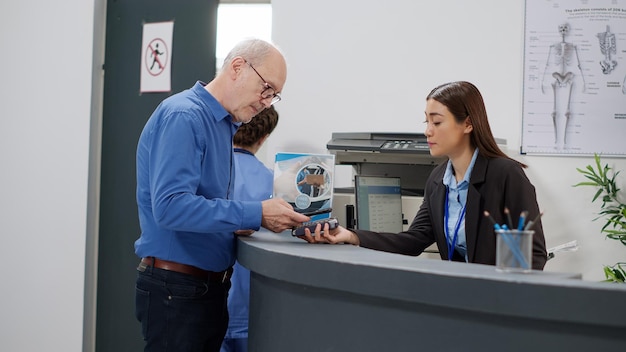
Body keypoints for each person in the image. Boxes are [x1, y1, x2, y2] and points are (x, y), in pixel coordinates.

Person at [134, 38, 310, 352]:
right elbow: (171, 207)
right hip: (178, 291)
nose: (267, 102)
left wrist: (235, 223)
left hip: (203, 290)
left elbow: (204, 203)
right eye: (266, 88)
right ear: (238, 67)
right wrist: (255, 213)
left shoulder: (222, 126)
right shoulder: (184, 116)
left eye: (274, 95)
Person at [302, 81, 548, 270]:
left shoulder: (505, 175)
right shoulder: (438, 179)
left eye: (437, 122)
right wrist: (351, 236)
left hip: (496, 299)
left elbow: (534, 254)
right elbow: (413, 240)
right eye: (426, 121)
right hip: (455, 295)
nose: (428, 131)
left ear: (468, 124)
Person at [220, 106, 279, 352]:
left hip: (213, 303)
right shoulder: (276, 184)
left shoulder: (211, 176)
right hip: (256, 308)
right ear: (264, 137)